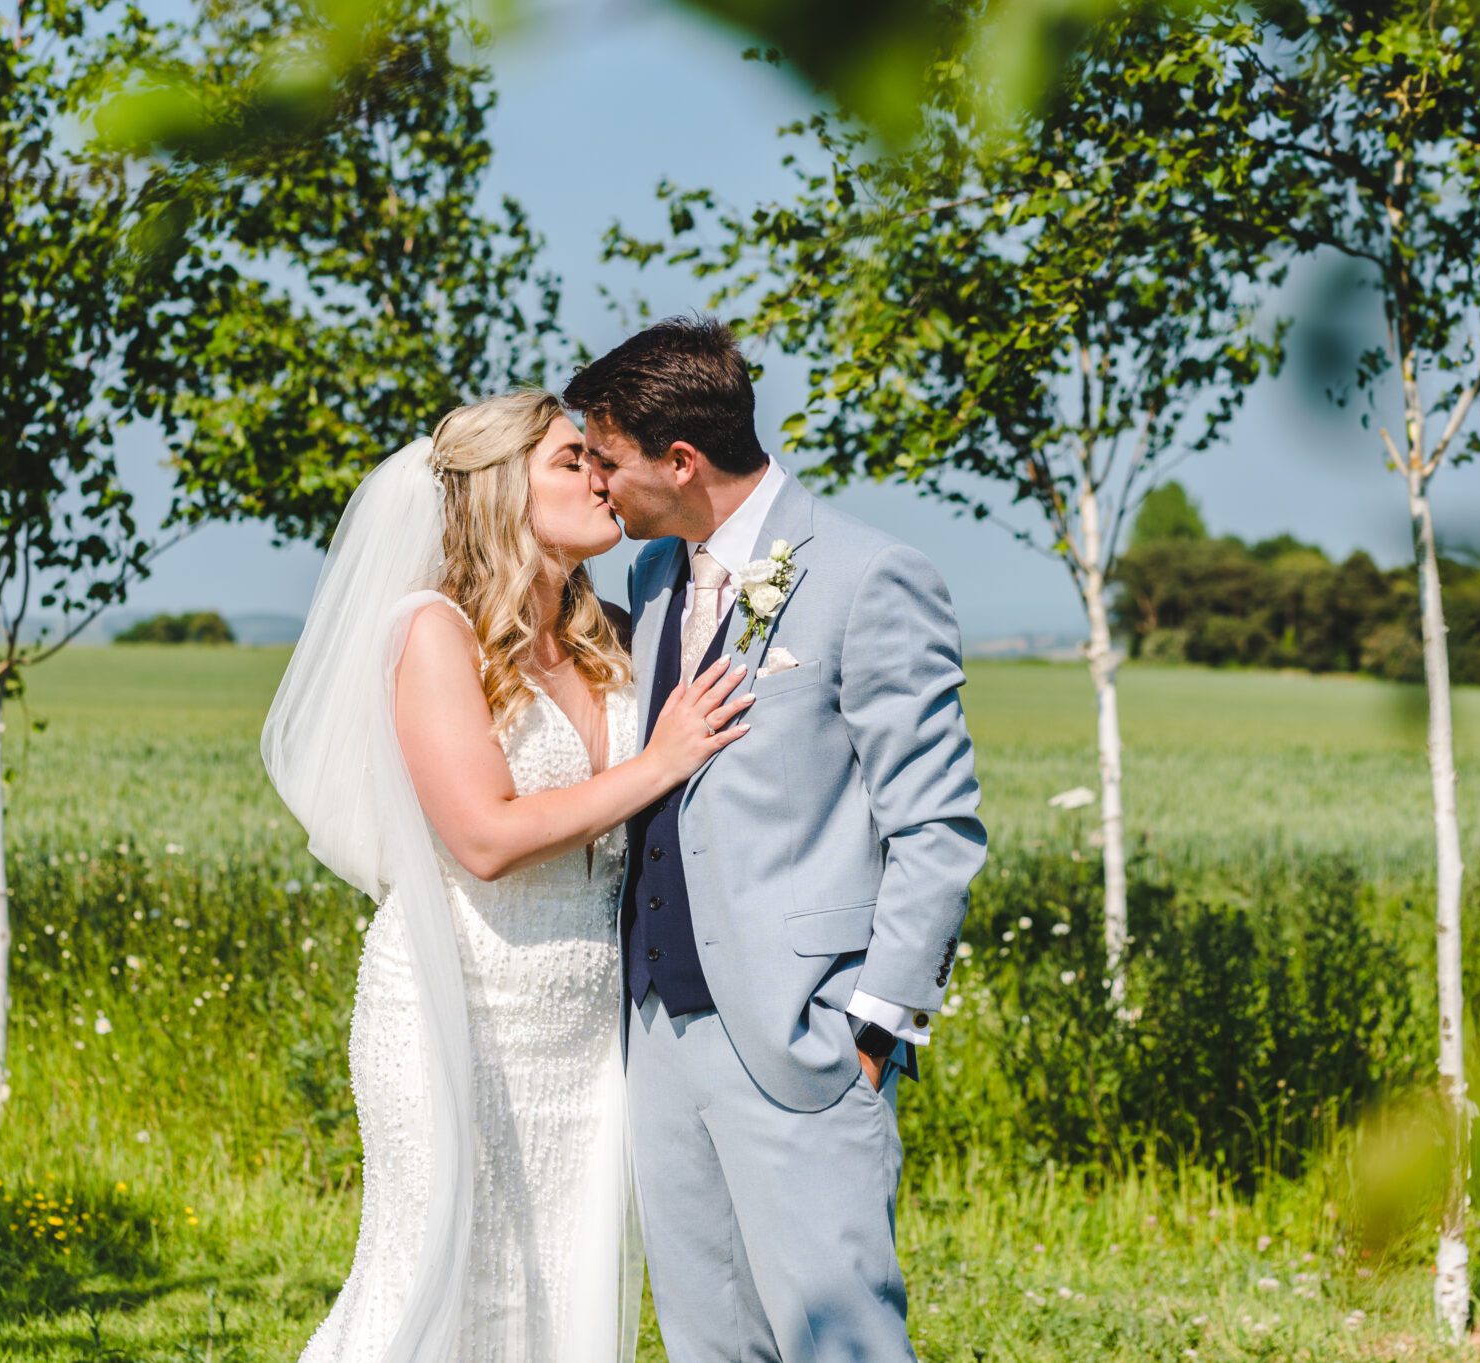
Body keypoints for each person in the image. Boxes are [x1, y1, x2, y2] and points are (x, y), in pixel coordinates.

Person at [262, 388, 750, 1362]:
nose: (599, 477)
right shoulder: (431, 633)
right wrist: (657, 761)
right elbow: (482, 836)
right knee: (438, 1282)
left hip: (582, 1030)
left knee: (556, 1286)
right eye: (571, 461)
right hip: (457, 1011)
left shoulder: (604, 630)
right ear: (497, 490)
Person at [567, 316, 989, 1363]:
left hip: (806, 1039)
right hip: (661, 1033)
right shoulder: (655, 577)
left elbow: (935, 825)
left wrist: (872, 1026)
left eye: (608, 460)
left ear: (679, 459)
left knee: (838, 1344)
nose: (597, 484)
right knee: (708, 1341)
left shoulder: (867, 576)